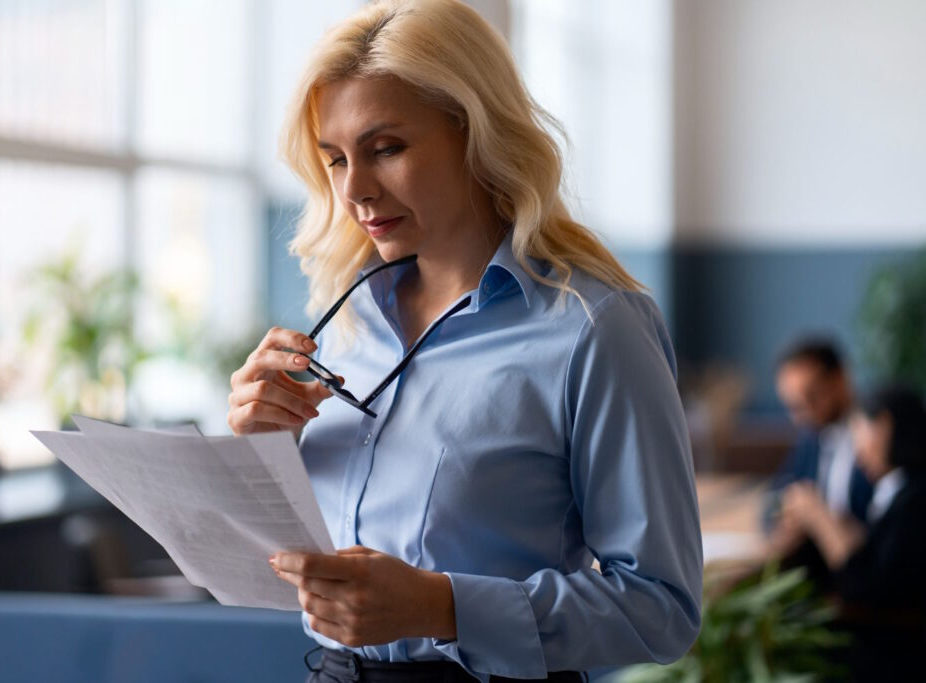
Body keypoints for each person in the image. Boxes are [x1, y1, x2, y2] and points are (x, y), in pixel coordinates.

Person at [226, 1, 702, 680]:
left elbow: (663, 608)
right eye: (335, 159)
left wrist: (442, 605)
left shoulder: (593, 326)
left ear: (476, 133)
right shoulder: (344, 321)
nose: (355, 189)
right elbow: (297, 560)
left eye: (386, 148)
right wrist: (258, 452)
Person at [776, 384, 926, 680]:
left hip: (892, 652)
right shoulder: (902, 490)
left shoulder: (916, 498)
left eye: (862, 433)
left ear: (884, 428)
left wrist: (819, 515)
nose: (858, 453)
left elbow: (864, 588)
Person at [765, 339, 873, 533]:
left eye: (812, 397)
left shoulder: (876, 435)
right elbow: (774, 499)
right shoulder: (811, 439)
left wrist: (819, 515)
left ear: (840, 378)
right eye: (793, 407)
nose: (801, 416)